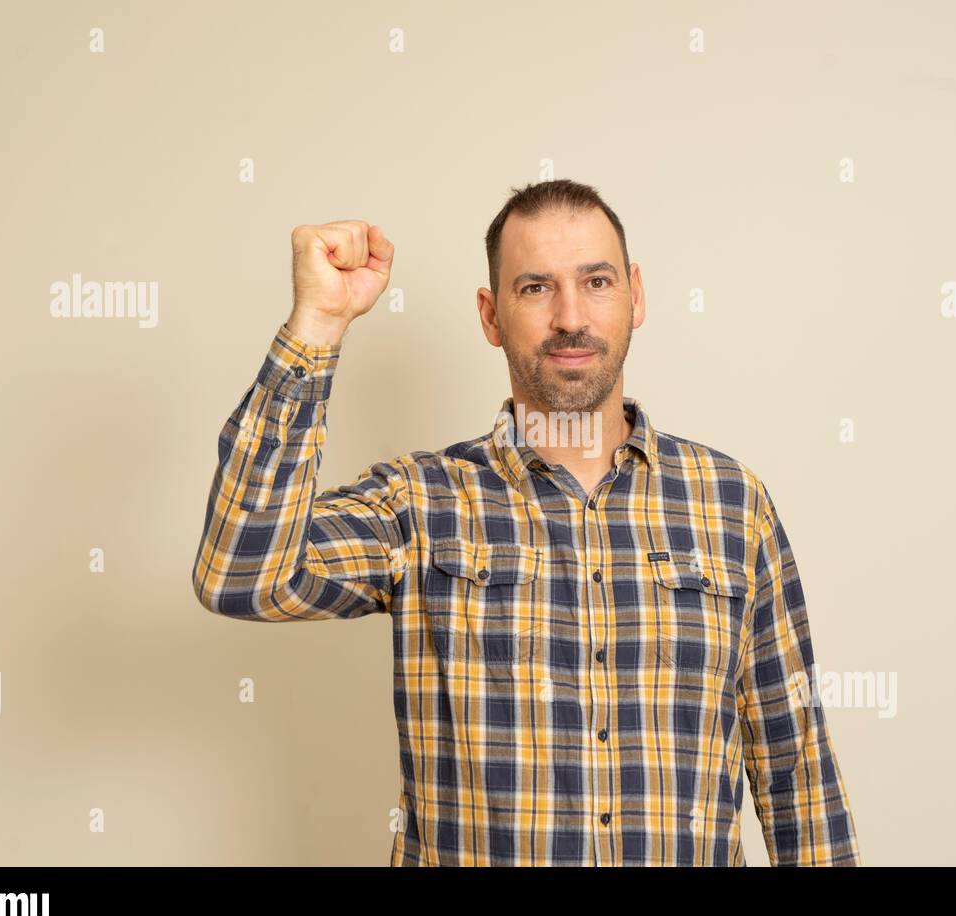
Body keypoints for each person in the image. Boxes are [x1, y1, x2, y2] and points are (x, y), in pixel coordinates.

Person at [191, 179, 861, 866]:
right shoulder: (419, 504)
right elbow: (240, 575)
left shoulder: (731, 504)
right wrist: (318, 326)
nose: (571, 316)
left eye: (596, 281)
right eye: (535, 288)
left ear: (636, 294)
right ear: (491, 315)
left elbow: (796, 771)